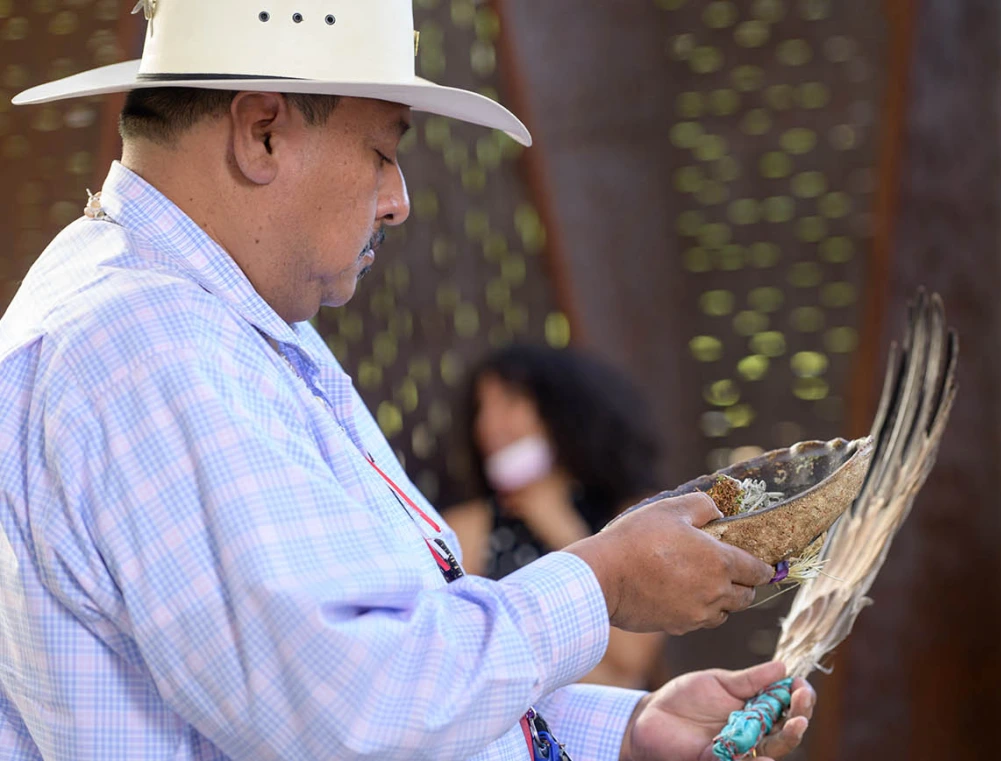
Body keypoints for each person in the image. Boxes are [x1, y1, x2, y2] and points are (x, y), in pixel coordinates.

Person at [0, 2, 815, 759]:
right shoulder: (148, 346)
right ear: (262, 133)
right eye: (383, 152)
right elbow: (356, 711)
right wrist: (604, 580)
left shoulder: (217, 324)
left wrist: (622, 732)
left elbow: (385, 655)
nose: (399, 201)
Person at [444, 344, 666, 689]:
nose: (489, 424)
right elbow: (461, 658)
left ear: (561, 410)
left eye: (510, 402)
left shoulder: (635, 516)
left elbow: (630, 662)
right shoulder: (468, 527)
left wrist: (562, 530)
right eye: (481, 409)